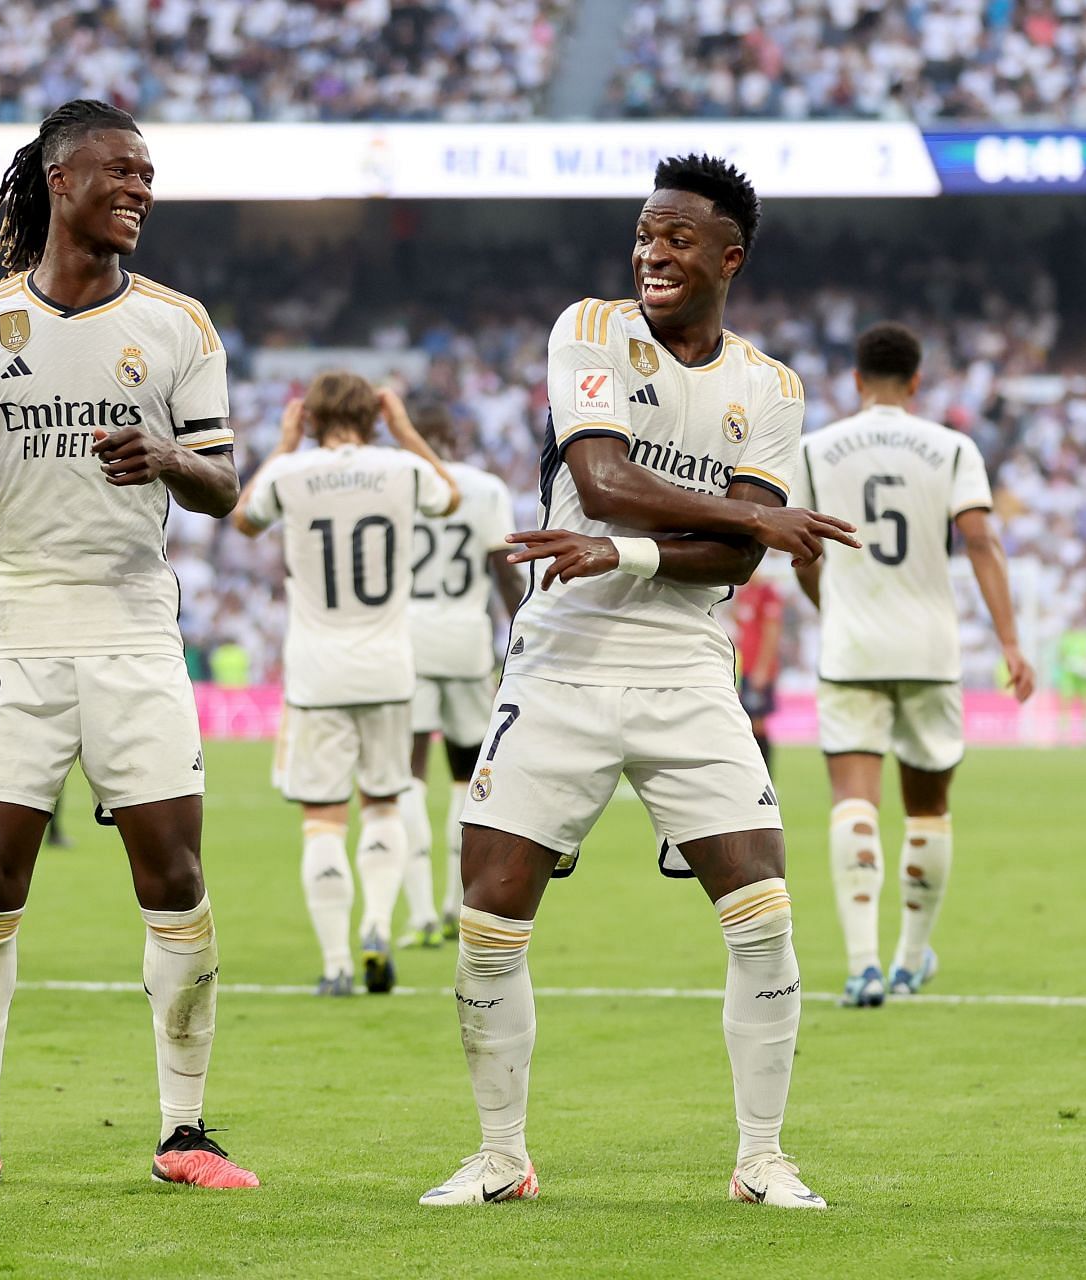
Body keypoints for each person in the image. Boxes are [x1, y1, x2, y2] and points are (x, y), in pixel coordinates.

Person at [418, 155, 860, 1211]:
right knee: (489, 913)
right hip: (562, 656)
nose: (652, 253)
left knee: (761, 909)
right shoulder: (592, 328)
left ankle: (762, 1157)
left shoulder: (771, 387)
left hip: (684, 661)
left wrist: (641, 554)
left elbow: (734, 566)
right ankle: (500, 1154)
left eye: (676, 239)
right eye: (644, 234)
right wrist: (755, 512)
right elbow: (604, 483)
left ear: (729, 258)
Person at [0, 99, 256, 1192]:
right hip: (20, 616)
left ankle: (187, 1128)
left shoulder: (179, 325)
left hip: (131, 624)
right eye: (122, 172)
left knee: (176, 872)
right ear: (61, 181)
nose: (141, 190)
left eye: (148, 176)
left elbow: (223, 486)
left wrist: (164, 454)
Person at [794, 321, 1036, 1007]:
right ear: (919, 382)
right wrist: (1012, 643)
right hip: (930, 649)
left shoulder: (816, 448)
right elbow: (982, 541)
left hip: (852, 647)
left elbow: (803, 552)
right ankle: (908, 961)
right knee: (927, 809)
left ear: (856, 381)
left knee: (853, 800)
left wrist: (829, 605)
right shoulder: (953, 446)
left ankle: (862, 963)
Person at [232, 377, 458, 994]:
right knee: (383, 803)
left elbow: (243, 520)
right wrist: (407, 431)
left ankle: (335, 964)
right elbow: (451, 499)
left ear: (311, 418)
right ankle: (380, 927)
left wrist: (283, 443)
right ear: (373, 416)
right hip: (388, 666)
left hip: (317, 672)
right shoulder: (399, 468)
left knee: (324, 820)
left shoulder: (291, 472)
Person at [396, 398, 523, 947]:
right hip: (466, 643)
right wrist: (523, 631)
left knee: (408, 776)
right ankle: (455, 904)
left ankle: (419, 911)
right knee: (466, 777)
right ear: (451, 435)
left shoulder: (394, 483)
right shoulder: (484, 487)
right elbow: (505, 575)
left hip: (405, 644)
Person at [735, 562, 786, 770]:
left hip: (758, 670)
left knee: (758, 723)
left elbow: (772, 632)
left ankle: (766, 776)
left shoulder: (768, 593)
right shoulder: (744, 593)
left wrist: (762, 669)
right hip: (744, 668)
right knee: (746, 722)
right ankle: (752, 772)